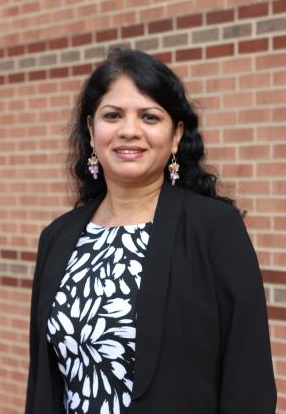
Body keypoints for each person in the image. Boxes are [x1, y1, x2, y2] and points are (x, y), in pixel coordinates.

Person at [25, 48, 277, 414]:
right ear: (91, 131)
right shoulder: (58, 238)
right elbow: (43, 386)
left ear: (175, 136)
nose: (130, 131)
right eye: (113, 115)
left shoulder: (214, 230)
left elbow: (249, 383)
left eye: (149, 116)